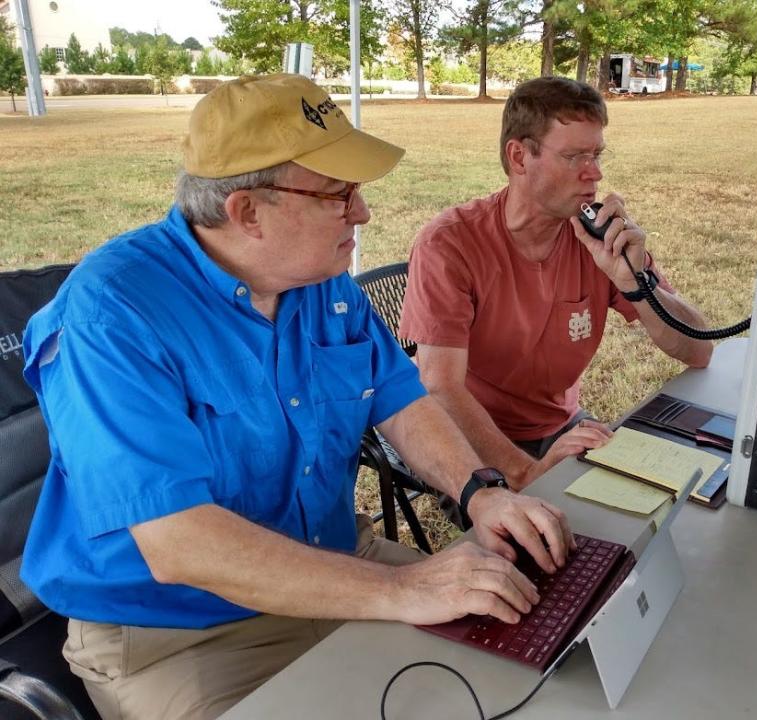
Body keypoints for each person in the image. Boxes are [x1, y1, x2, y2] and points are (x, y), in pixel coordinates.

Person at [19, 74, 573, 720]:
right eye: (339, 194)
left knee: (516, 671)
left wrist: (481, 493)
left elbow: (400, 399)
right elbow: (180, 544)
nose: (362, 212)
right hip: (176, 632)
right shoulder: (110, 314)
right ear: (248, 212)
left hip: (337, 566)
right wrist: (401, 588)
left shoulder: (320, 284)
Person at [399, 77, 713, 491]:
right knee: (554, 543)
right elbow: (439, 386)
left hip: (563, 426)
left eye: (597, 154)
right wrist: (525, 472)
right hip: (472, 438)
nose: (595, 173)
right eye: (574, 157)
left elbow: (699, 350)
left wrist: (635, 284)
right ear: (519, 157)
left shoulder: (596, 239)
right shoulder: (451, 242)